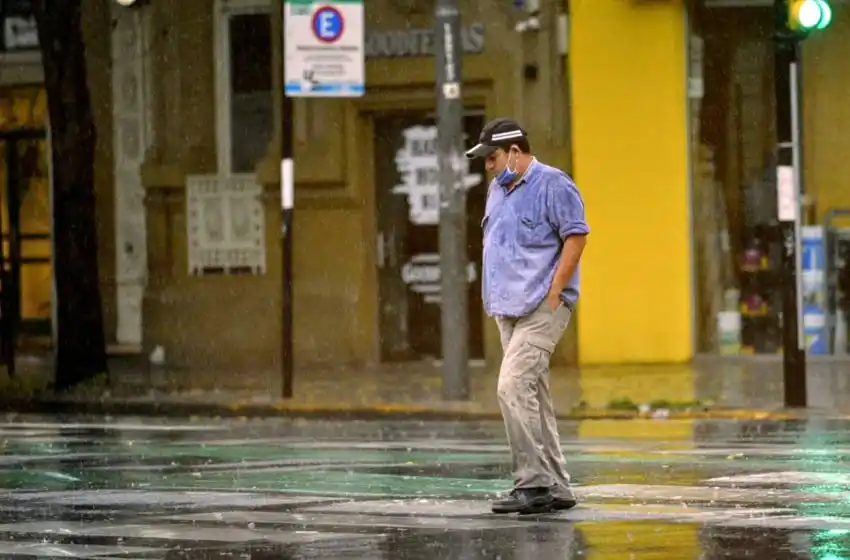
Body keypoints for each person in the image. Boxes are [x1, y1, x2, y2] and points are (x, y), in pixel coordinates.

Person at [465, 118, 589, 515]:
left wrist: (555, 292)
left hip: (542, 306)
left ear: (515, 152)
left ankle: (532, 484)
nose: (488, 166)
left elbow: (576, 235)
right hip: (508, 309)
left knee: (512, 386)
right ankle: (557, 485)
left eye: (493, 157)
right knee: (532, 393)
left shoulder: (553, 184)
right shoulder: (497, 190)